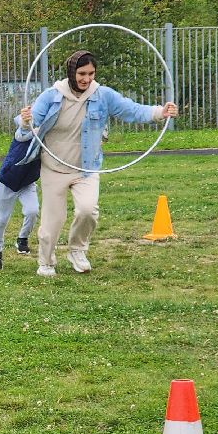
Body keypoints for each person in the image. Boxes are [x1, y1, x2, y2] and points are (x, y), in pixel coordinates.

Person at [20, 50, 176, 277]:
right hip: (54, 167)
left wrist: (159, 112)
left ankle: (77, 250)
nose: (86, 79)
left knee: (88, 211)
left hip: (86, 167)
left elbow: (130, 109)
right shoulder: (52, 95)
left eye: (91, 74)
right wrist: (25, 122)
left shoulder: (102, 95)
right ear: (71, 72)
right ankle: (46, 262)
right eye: (82, 73)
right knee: (52, 221)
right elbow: (29, 123)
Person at [0, 113, 41, 270]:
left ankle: (22, 239)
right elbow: (21, 130)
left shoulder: (50, 135)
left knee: (33, 211)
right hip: (9, 180)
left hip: (27, 181)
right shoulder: (25, 129)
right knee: (0, 219)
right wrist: (27, 123)